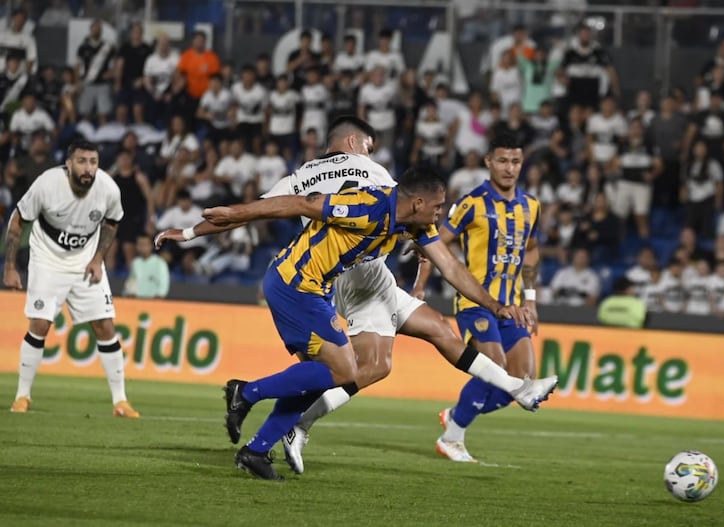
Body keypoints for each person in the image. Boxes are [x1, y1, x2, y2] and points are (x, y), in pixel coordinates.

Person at [154, 117, 557, 479]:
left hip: (333, 280)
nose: (439, 214)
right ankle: (253, 397)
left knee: (393, 347)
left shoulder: (304, 174)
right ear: (354, 141)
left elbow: (267, 206)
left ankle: (260, 447)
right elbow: (302, 207)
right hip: (319, 280)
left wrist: (192, 233)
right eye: (435, 208)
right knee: (356, 368)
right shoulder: (373, 182)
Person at [412, 133, 543, 462]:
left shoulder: (531, 207)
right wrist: (419, 286)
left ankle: (457, 414)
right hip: (475, 304)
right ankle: (452, 438)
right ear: (488, 162)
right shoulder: (472, 204)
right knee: (494, 367)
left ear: (522, 163)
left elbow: (531, 252)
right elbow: (433, 245)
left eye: (515, 161)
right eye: (502, 160)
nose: (509, 168)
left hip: (512, 306)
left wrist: (530, 301)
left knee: (521, 384)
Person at [3, 140, 139, 418]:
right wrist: (10, 267)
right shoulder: (47, 184)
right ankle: (22, 397)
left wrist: (98, 259)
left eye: (93, 161)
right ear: (68, 164)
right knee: (40, 324)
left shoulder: (108, 188)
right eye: (82, 161)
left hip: (85, 261)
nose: (88, 168)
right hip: (47, 259)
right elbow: (18, 220)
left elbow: (112, 222)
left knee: (105, 326)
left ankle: (121, 402)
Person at [123, 233, 170, 298]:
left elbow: (163, 288)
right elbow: (131, 283)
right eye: (140, 244)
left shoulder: (160, 263)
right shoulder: (135, 262)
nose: (142, 247)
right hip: (137, 302)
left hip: (154, 302)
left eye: (145, 245)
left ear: (151, 246)